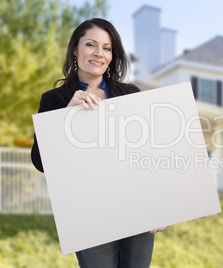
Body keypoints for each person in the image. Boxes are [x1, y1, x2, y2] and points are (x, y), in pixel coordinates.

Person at [31, 18, 168, 268]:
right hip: (88, 213)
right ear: (75, 49)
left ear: (112, 55)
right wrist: (66, 118)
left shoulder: (130, 95)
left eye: (106, 47)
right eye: (91, 44)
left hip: (135, 205)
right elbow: (40, 162)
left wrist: (159, 205)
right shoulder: (55, 99)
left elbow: (148, 155)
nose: (99, 53)